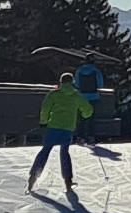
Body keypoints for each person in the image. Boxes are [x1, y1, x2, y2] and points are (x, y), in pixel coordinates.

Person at [27, 67, 95, 200]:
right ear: (72, 82)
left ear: (61, 82)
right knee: (64, 153)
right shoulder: (76, 95)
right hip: (68, 128)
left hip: (53, 127)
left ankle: (33, 177)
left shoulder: (54, 94)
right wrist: (84, 115)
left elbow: (45, 108)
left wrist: (43, 122)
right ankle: (68, 182)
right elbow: (88, 110)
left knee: (45, 151)